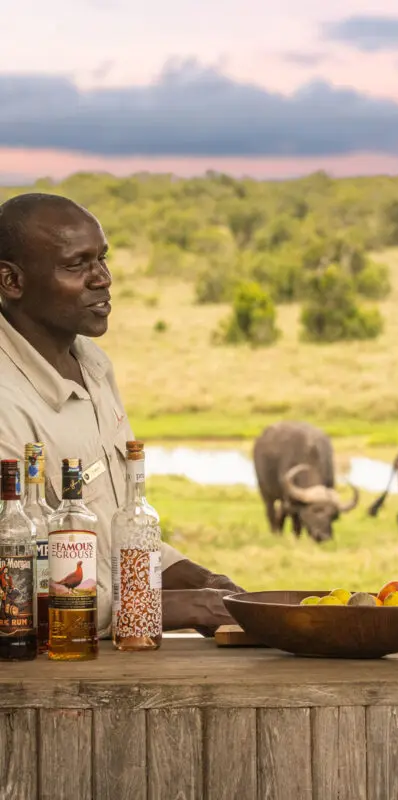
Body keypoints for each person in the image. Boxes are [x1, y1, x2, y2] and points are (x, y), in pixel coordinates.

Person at [0, 192, 243, 638]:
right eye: (76, 265)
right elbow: (17, 594)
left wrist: (207, 585)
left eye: (103, 259)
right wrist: (187, 608)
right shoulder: (5, 406)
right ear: (11, 281)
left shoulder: (92, 363)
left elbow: (120, 532)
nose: (103, 279)